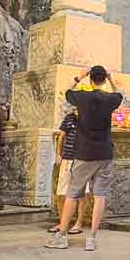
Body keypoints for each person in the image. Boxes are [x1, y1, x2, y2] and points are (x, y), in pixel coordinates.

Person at [45, 65, 124, 251]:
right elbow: (120, 94)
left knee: (72, 194)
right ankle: (92, 238)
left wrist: (80, 76)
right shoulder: (110, 99)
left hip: (84, 153)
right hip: (104, 153)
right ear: (104, 80)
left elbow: (66, 92)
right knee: (100, 195)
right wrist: (112, 79)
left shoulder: (82, 97)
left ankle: (62, 236)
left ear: (90, 79)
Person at [47, 93, 85, 237]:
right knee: (61, 191)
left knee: (82, 193)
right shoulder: (69, 118)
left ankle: (79, 222)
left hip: (82, 159)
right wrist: (58, 154)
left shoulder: (88, 119)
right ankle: (62, 221)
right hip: (67, 158)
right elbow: (61, 136)